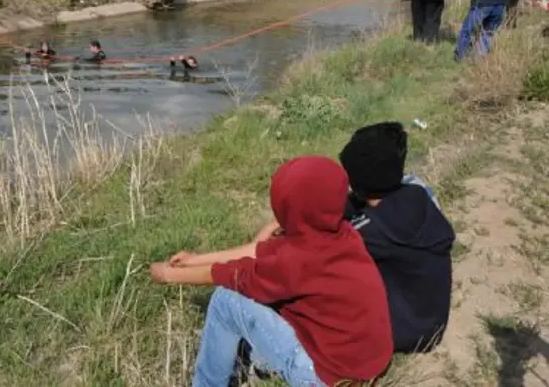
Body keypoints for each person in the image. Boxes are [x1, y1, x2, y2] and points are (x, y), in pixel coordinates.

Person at [151, 156, 393, 387]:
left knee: (225, 301)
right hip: (369, 365)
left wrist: (171, 275)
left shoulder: (295, 261)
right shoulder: (342, 234)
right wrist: (194, 260)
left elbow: (235, 275)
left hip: (327, 379)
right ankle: (254, 360)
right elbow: (258, 251)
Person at [340, 122, 455, 354]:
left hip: (404, 332)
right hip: (430, 322)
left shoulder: (372, 232)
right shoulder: (416, 195)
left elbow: (321, 251)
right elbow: (356, 203)